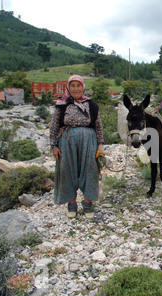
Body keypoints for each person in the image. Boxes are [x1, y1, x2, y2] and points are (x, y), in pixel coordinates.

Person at [49, 75, 105, 219]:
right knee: (67, 170)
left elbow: (98, 126)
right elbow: (54, 126)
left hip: (89, 143)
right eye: (72, 85)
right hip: (67, 143)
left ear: (83, 87)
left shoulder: (91, 105)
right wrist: (54, 145)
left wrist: (101, 145)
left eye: (78, 85)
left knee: (90, 170)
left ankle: (87, 204)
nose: (76, 88)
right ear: (68, 87)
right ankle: (71, 204)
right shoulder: (62, 104)